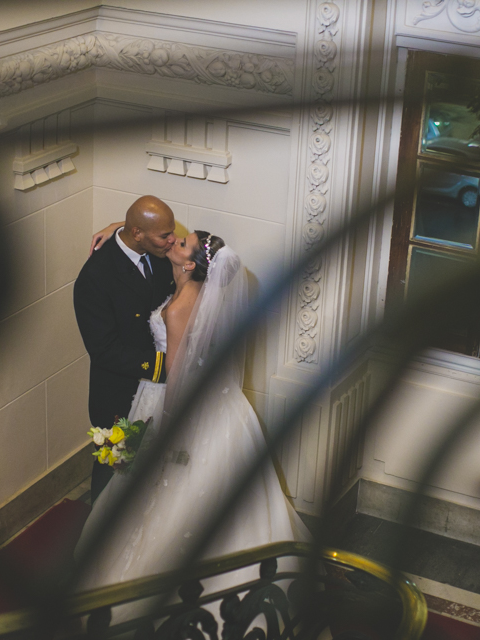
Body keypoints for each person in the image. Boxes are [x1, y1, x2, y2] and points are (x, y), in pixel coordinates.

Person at [72, 226, 310, 596]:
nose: (173, 242)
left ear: (190, 264)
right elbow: (145, 227)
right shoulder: (193, 293)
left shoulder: (180, 308)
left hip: (173, 401)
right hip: (221, 402)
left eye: (182, 244)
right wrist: (116, 228)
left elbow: (178, 376)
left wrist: (167, 430)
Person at [73, 196, 176, 504]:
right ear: (137, 234)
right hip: (120, 390)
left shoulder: (156, 250)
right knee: (112, 474)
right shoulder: (95, 277)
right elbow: (103, 349)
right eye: (164, 235)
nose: (172, 240)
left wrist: (117, 224)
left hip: (159, 390)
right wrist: (164, 366)